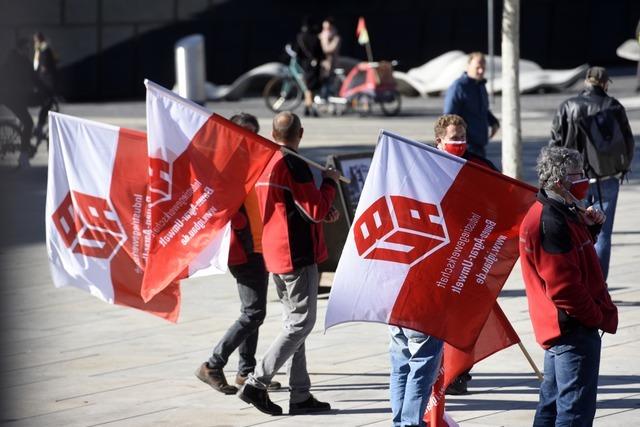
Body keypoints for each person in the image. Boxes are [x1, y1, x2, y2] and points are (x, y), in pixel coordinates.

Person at [237, 111, 340, 416]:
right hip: (295, 255)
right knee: (301, 324)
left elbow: (296, 209)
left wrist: (323, 210)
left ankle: (300, 394)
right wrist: (330, 184)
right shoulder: (293, 163)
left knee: (295, 324)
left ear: (272, 133)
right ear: (301, 133)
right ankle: (257, 382)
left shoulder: (268, 161)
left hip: (275, 252)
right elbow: (315, 209)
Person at [519, 146, 618, 425]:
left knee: (551, 409)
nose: (584, 179)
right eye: (579, 175)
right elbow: (564, 287)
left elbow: (577, 257)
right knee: (574, 414)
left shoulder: (561, 210)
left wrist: (590, 228)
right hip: (571, 330)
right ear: (560, 182)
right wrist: (594, 317)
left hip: (562, 329)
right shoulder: (551, 221)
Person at [195, 113, 281, 395]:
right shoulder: (225, 169)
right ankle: (212, 364)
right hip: (243, 250)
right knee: (254, 312)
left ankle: (245, 371)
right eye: (244, 134)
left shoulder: (257, 162)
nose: (251, 139)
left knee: (252, 312)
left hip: (261, 245)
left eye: (255, 133)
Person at [432, 113, 498, 397]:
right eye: (453, 139)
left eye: (462, 138)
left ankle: (459, 373)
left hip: (470, 255)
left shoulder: (481, 166)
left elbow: (501, 198)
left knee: (466, 318)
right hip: (437, 255)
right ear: (439, 141)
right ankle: (436, 371)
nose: (459, 143)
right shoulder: (426, 165)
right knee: (437, 319)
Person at [549, 66, 635, 280]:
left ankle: (581, 281)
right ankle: (599, 285)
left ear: (586, 82)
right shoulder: (614, 106)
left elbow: (555, 142)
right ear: (605, 83)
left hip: (574, 180)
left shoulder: (568, 106)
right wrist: (621, 168)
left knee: (575, 230)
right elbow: (628, 143)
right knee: (603, 232)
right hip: (607, 177)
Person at [443, 52, 499, 158]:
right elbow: (448, 117)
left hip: (480, 145)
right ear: (468, 66)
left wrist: (493, 122)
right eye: (477, 67)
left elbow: (482, 110)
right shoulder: (458, 87)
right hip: (465, 147)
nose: (481, 71)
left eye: (483, 68)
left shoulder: (480, 85)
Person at [0, 38, 45, 169]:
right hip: (11, 97)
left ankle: (27, 135)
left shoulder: (24, 60)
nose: (28, 51)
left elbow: (34, 78)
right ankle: (23, 156)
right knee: (28, 122)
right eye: (26, 48)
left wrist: (48, 91)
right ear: (20, 48)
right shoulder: (12, 60)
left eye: (28, 49)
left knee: (30, 116)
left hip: (20, 96)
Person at [294, 18, 325, 117]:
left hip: (305, 65)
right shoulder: (315, 37)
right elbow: (321, 54)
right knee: (312, 88)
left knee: (307, 87)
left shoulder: (300, 37)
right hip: (316, 65)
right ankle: (310, 108)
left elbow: (297, 53)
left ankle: (308, 107)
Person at [32, 32, 58, 143]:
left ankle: (39, 127)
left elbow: (43, 68)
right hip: (45, 84)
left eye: (35, 41)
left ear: (39, 40)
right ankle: (38, 127)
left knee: (46, 104)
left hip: (46, 84)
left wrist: (36, 80)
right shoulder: (43, 50)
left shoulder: (44, 51)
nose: (34, 43)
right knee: (46, 104)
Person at [318, 17, 341, 99]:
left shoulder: (335, 38)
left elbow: (327, 49)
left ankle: (328, 100)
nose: (325, 31)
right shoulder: (321, 36)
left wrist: (325, 39)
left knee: (330, 83)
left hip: (332, 65)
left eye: (328, 29)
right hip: (321, 64)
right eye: (324, 28)